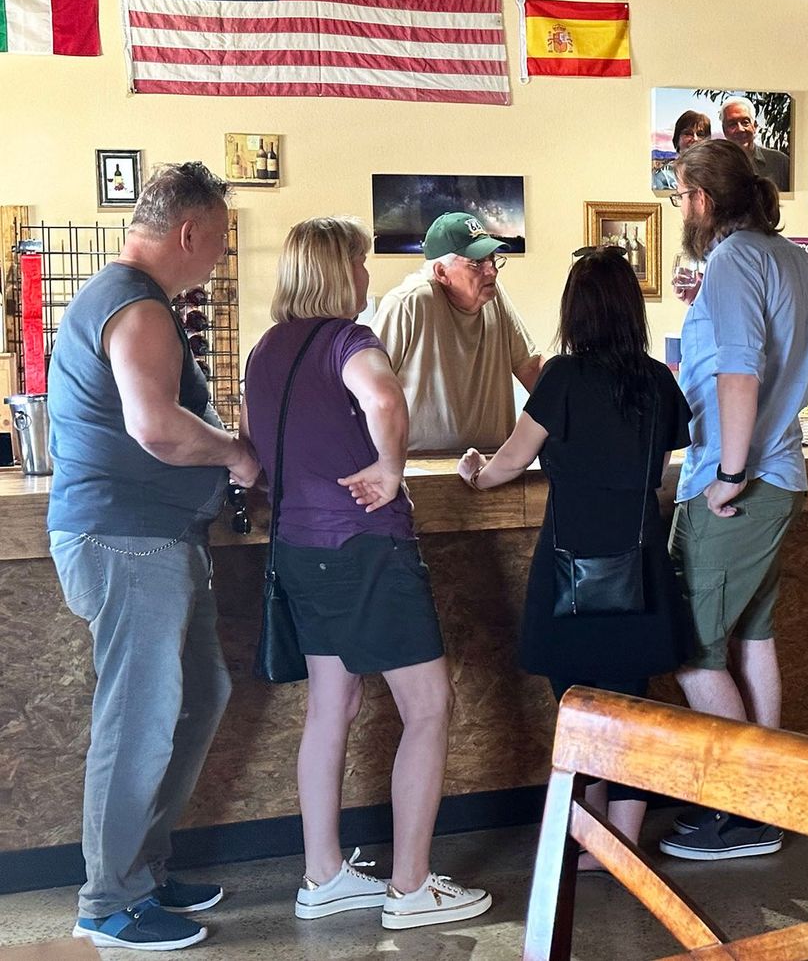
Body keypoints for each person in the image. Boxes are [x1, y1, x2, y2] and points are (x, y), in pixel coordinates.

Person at [243, 217, 492, 930]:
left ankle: (322, 874)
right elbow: (383, 397)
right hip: (366, 549)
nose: (365, 275)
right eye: (357, 262)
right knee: (429, 706)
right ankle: (410, 888)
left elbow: (254, 442)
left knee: (331, 706)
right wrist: (390, 467)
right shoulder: (348, 340)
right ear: (334, 271)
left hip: (299, 548)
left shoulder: (265, 351)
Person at [47, 162, 258, 950]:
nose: (222, 255)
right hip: (126, 539)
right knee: (138, 720)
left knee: (199, 694)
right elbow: (156, 427)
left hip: (154, 536)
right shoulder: (135, 305)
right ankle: (109, 901)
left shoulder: (135, 300)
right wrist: (235, 453)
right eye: (221, 239)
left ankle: (142, 868)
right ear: (189, 232)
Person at [458, 246, 693, 863]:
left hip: (570, 569)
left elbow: (512, 460)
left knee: (578, 707)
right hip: (639, 566)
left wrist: (476, 473)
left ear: (576, 311)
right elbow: (665, 461)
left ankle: (587, 840)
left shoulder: (561, 377)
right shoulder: (656, 380)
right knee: (632, 705)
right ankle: (623, 847)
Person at [656, 137, 808, 861]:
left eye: (682, 197)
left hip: (739, 482)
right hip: (780, 475)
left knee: (694, 651)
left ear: (703, 199)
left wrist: (728, 470)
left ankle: (743, 813)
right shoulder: (789, 257)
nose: (681, 211)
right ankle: (766, 803)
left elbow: (740, 372)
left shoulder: (730, 260)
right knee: (752, 637)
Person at [370, 210, 543, 454]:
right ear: (441, 272)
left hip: (493, 459)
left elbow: (530, 366)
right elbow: (368, 389)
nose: (492, 271)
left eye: (492, 259)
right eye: (477, 263)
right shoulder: (408, 303)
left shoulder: (494, 296)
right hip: (421, 462)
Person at [719, 95, 791, 192]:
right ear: (724, 130)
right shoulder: (714, 166)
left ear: (755, 126)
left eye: (745, 122)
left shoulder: (780, 163)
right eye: (732, 124)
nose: (740, 129)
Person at [652, 110, 711, 191]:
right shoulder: (663, 177)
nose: (695, 139)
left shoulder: (717, 174)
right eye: (688, 134)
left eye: (700, 134)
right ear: (677, 139)